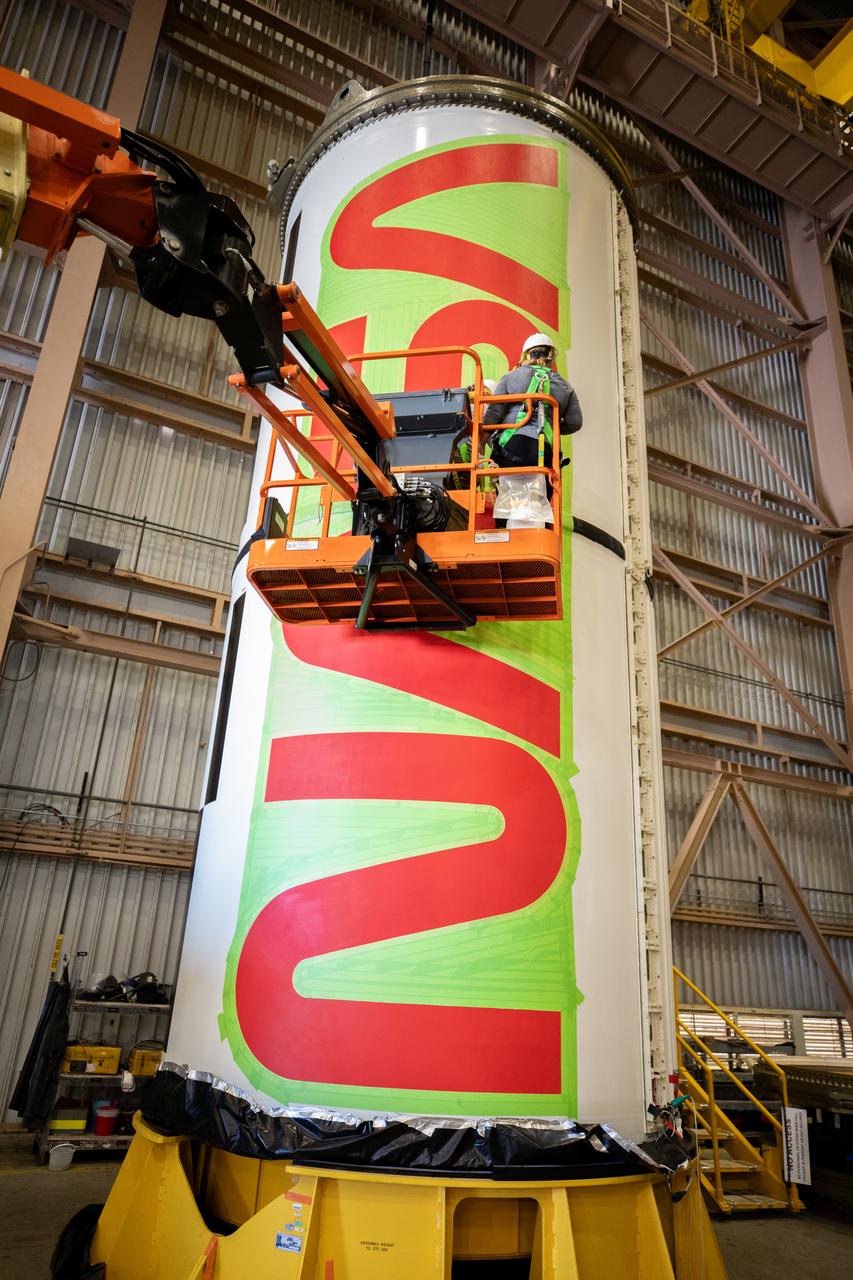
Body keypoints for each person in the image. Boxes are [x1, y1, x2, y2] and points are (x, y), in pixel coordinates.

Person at [482, 334, 582, 475]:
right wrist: (552, 426)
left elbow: (495, 412)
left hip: (511, 447)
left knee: (505, 483)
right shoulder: (566, 387)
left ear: (526, 355)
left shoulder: (510, 377)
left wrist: (481, 442)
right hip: (544, 451)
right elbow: (575, 423)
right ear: (551, 357)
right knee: (543, 485)